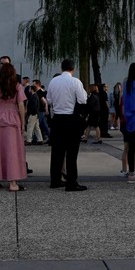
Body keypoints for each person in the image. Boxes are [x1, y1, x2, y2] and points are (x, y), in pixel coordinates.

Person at [47, 58, 88, 191]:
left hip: (58, 118)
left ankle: (55, 180)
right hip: (71, 119)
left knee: (57, 152)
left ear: (61, 68)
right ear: (73, 69)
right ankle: (71, 181)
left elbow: (49, 99)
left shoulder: (53, 81)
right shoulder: (75, 81)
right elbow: (82, 100)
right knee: (71, 152)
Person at [0, 63, 28, 192]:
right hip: (13, 120)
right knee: (12, 151)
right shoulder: (17, 86)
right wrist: (23, 123)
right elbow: (21, 105)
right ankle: (13, 183)